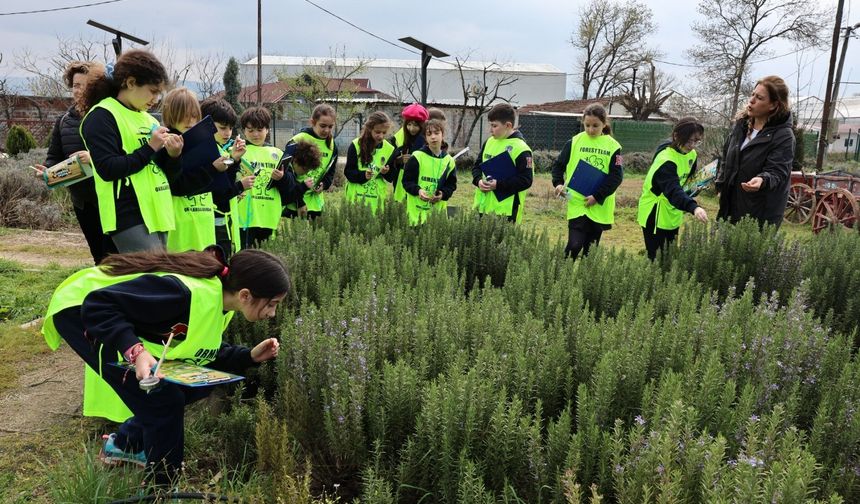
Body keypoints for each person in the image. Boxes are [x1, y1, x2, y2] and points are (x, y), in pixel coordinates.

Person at [41, 248, 289, 487]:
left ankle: (125, 445)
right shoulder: (182, 294)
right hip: (80, 308)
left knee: (196, 385)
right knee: (164, 399)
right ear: (245, 294)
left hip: (105, 309)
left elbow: (201, 350)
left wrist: (249, 357)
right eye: (271, 304)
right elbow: (99, 305)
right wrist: (135, 350)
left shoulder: (222, 303)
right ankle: (160, 490)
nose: (272, 313)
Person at [79, 49, 183, 253]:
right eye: (153, 91)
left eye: (159, 93)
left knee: (157, 279)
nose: (156, 99)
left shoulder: (149, 119)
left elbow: (164, 172)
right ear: (131, 82)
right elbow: (107, 169)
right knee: (150, 280)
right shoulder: (102, 116)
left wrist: (173, 156)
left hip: (158, 212)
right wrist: (150, 147)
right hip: (128, 215)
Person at [35, 61, 116, 264]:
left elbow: (122, 154)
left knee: (118, 256)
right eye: (75, 85)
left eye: (83, 85)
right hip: (83, 201)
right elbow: (55, 155)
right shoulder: (64, 121)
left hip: (112, 199)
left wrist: (93, 159)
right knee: (99, 255)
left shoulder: (108, 117)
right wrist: (48, 170)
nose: (77, 90)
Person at [716, 75, 795, 228]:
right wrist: (721, 184)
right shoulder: (741, 125)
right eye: (752, 95)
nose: (751, 100)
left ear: (773, 105)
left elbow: (778, 171)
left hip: (760, 212)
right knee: (723, 248)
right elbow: (726, 156)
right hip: (730, 206)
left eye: (759, 98)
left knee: (748, 250)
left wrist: (762, 180)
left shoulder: (783, 136)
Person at [552, 103, 623, 259]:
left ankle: (584, 282)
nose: (591, 130)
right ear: (583, 123)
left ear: (604, 124)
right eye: (587, 125)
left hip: (598, 205)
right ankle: (560, 275)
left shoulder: (613, 147)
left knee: (590, 252)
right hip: (577, 202)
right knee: (574, 246)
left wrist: (597, 196)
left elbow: (616, 177)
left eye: (595, 126)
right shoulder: (574, 142)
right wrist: (557, 183)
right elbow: (558, 166)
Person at [160, 87, 224, 252]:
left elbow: (216, 186)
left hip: (204, 222)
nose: (190, 122)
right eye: (183, 116)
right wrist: (212, 169)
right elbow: (176, 185)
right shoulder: (166, 143)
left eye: (194, 116)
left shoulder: (202, 140)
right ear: (170, 115)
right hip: (178, 225)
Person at [637, 117, 709, 260]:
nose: (693, 145)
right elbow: (673, 190)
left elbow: (687, 182)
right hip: (656, 213)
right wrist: (694, 207)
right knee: (657, 260)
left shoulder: (691, 154)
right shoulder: (666, 160)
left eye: (697, 141)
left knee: (670, 256)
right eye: (689, 141)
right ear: (676, 136)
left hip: (674, 211)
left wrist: (699, 184)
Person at [200, 97, 250, 259]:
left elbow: (224, 185)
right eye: (222, 127)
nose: (227, 133)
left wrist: (234, 159)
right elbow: (219, 193)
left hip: (223, 223)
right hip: (211, 224)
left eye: (230, 128)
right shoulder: (205, 151)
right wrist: (239, 187)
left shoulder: (221, 150)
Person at [235, 106, 290, 248]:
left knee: (266, 263)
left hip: (270, 218)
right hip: (244, 219)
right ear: (243, 131)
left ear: (267, 130)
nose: (255, 134)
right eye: (250, 130)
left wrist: (282, 179)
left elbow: (290, 188)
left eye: (260, 130)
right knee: (245, 260)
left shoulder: (278, 154)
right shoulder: (238, 152)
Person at [471, 103, 533, 223]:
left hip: (505, 212)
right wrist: (478, 181)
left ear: (508, 125)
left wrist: (498, 185)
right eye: (490, 125)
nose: (490, 130)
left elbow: (526, 180)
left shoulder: (521, 148)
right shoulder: (489, 142)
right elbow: (476, 167)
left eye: (494, 126)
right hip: (482, 206)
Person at [282, 104, 338, 219]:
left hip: (316, 204)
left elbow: (330, 172)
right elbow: (286, 173)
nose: (326, 130)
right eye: (322, 126)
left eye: (330, 126)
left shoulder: (332, 145)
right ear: (312, 122)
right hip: (294, 204)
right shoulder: (297, 140)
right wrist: (299, 202)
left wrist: (324, 184)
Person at [402, 118, 457, 225]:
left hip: (437, 217)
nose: (433, 137)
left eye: (436, 133)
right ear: (425, 138)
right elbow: (407, 182)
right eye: (429, 134)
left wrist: (442, 194)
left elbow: (451, 185)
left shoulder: (449, 161)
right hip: (416, 216)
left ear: (443, 135)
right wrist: (418, 191)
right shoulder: (417, 157)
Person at [344, 111, 395, 214]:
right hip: (356, 198)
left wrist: (386, 172)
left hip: (377, 200)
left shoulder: (390, 149)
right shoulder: (355, 145)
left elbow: (390, 177)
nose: (381, 136)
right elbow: (348, 172)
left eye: (384, 133)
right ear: (369, 129)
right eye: (377, 132)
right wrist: (363, 175)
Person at [390, 103, 428, 203]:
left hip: (421, 181)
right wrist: (399, 160)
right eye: (409, 124)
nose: (411, 128)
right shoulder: (398, 138)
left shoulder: (428, 139)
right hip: (401, 182)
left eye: (415, 125)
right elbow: (390, 160)